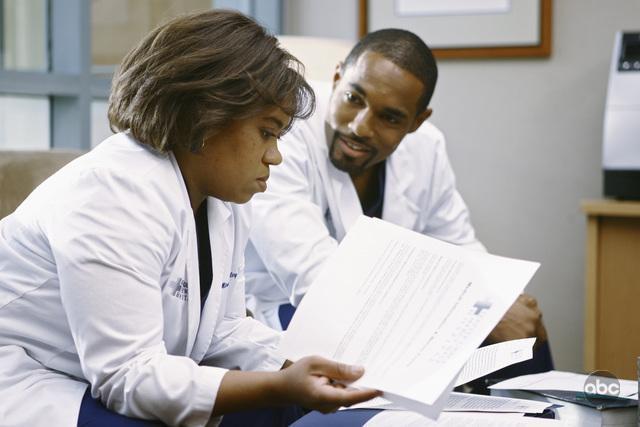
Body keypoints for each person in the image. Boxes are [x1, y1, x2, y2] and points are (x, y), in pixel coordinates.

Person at [0, 10, 380, 427]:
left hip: (97, 375)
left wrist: (317, 362)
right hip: (30, 379)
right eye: (267, 132)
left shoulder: (221, 199)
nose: (275, 156)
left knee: (289, 406)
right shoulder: (112, 192)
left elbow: (224, 331)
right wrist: (281, 384)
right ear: (206, 116)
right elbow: (127, 377)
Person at [245, 29, 549, 352]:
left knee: (526, 335)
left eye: (389, 117)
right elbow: (318, 282)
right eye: (353, 98)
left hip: (398, 314)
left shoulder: (426, 147)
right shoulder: (287, 129)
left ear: (417, 121)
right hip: (294, 312)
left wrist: (499, 302)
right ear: (336, 77)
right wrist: (472, 313)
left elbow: (462, 249)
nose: (360, 127)